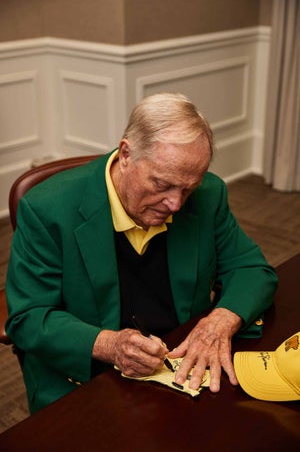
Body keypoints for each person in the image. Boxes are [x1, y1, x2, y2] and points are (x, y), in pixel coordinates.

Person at [5, 92, 278, 413]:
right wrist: (110, 344)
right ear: (125, 155)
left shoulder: (208, 194)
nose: (176, 203)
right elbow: (28, 317)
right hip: (87, 378)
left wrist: (219, 320)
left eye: (187, 188)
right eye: (162, 184)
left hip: (180, 366)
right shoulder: (47, 209)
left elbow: (252, 270)